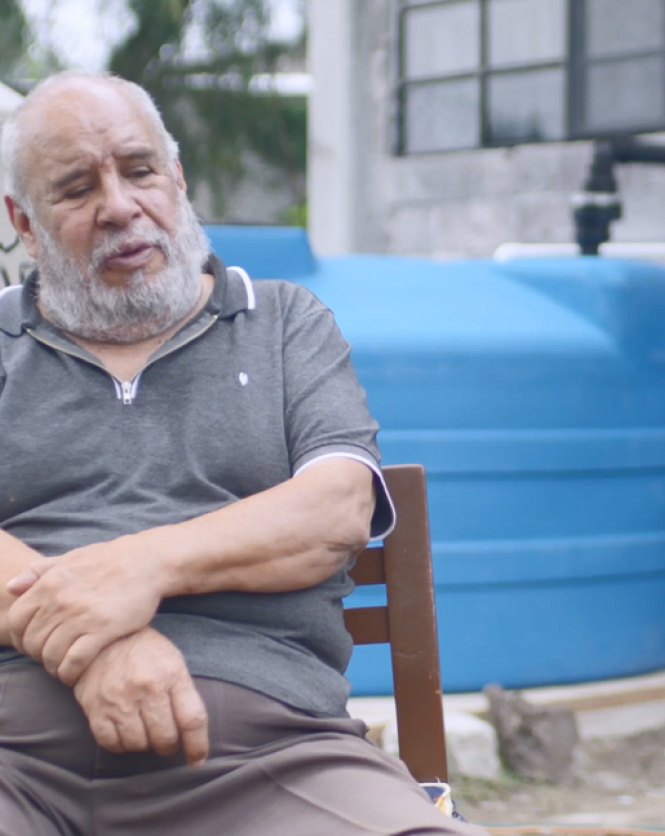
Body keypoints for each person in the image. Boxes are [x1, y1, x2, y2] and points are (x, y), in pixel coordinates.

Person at [0, 71, 488, 836]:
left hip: (272, 756)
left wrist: (140, 568)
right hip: (14, 754)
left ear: (178, 177)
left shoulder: (286, 324)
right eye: (75, 188)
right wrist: (101, 646)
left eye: (138, 170)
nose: (120, 207)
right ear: (23, 223)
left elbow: (335, 510)